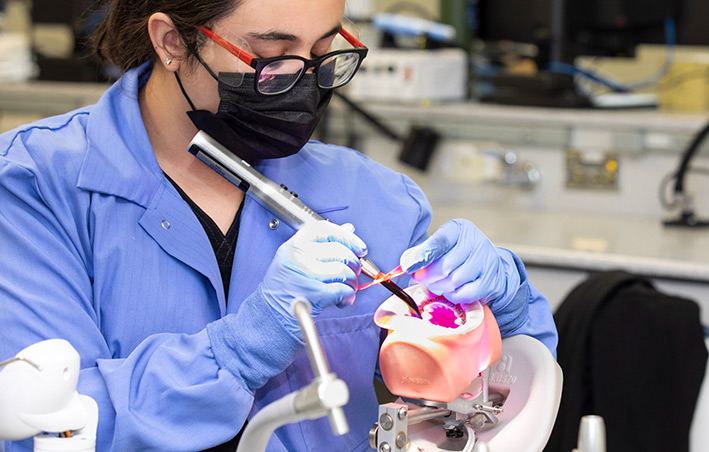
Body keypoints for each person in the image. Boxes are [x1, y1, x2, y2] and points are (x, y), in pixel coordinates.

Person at [0, 0, 558, 450]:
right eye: (272, 57)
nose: (305, 83)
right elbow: (43, 425)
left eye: (324, 52)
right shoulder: (33, 188)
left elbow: (495, 382)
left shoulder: (372, 196)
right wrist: (243, 347)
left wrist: (500, 301)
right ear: (172, 41)